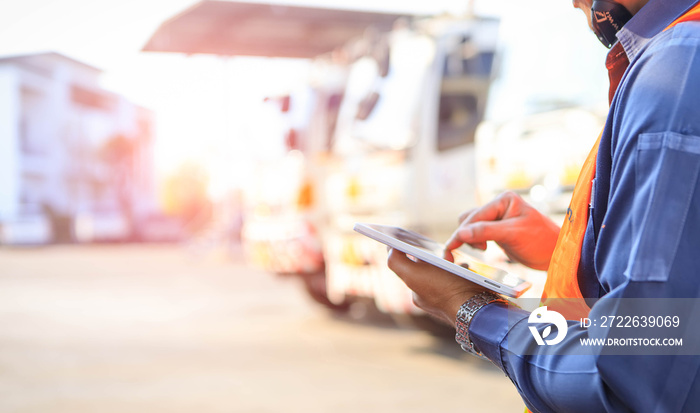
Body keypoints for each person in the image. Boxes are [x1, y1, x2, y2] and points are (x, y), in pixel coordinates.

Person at [387, 0, 700, 411]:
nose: (574, 1)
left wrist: (470, 310)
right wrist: (569, 252)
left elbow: (632, 375)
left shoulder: (678, 62)